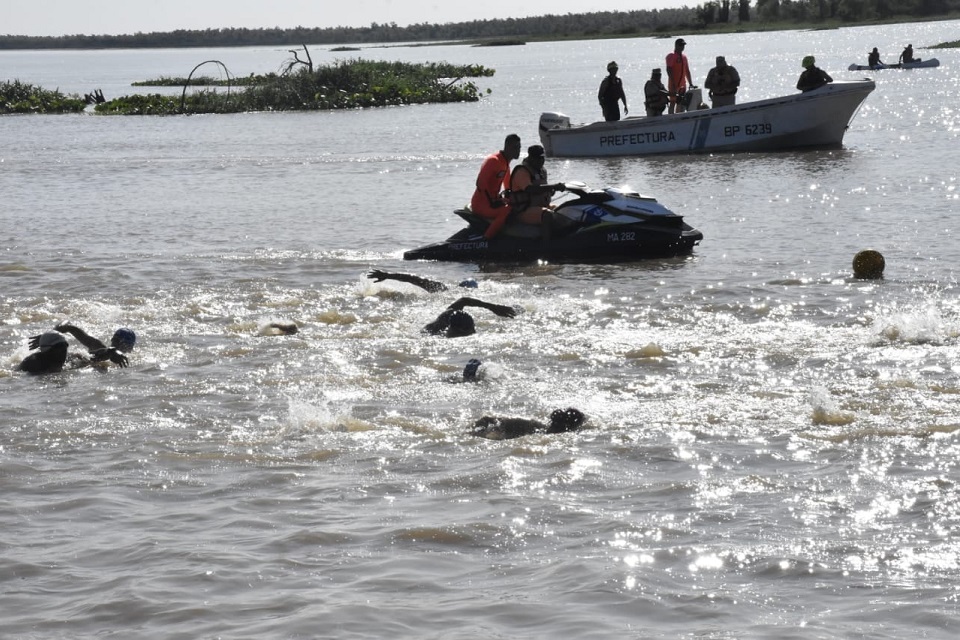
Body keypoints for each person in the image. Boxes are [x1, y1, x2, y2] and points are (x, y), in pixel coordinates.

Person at [366, 270, 519, 338]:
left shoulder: (454, 306)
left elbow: (464, 300)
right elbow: (416, 280)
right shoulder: (443, 290)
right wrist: (388, 275)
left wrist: (493, 308)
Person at [18, 324, 133, 374]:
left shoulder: (72, 359)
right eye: (59, 347)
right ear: (46, 351)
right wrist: (48, 336)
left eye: (65, 346)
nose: (64, 350)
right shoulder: (32, 364)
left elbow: (98, 355)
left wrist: (113, 352)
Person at [470, 134, 523, 240]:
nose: (518, 151)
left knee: (515, 206)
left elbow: (509, 187)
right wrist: (494, 201)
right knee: (506, 211)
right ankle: (486, 238)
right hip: (481, 204)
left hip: (493, 201)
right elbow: (480, 183)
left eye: (519, 147)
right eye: (515, 148)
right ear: (507, 147)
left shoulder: (506, 164)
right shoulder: (494, 161)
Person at [470, 407, 586, 440]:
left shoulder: (543, 433)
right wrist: (477, 433)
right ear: (567, 427)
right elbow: (486, 419)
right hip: (489, 433)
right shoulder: (528, 425)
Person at [666, 38, 694, 114]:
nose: (682, 47)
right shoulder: (671, 56)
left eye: (683, 45)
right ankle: (671, 117)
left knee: (680, 102)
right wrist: (673, 83)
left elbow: (687, 71)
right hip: (674, 84)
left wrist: (690, 83)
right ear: (676, 45)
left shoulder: (684, 57)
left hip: (682, 84)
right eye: (680, 45)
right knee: (673, 102)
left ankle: (678, 116)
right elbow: (669, 69)